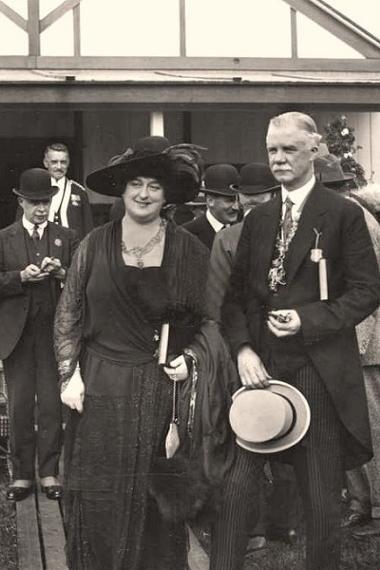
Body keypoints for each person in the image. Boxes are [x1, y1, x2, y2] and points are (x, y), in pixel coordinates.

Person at [54, 136, 237, 570]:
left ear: (167, 194)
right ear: (122, 189)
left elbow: (212, 320)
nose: (143, 194)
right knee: (99, 497)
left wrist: (191, 358)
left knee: (154, 504)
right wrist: (68, 373)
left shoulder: (190, 251)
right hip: (96, 388)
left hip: (157, 394)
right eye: (135, 183)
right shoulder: (93, 245)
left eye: (153, 186)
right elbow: (69, 312)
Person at [211, 111, 380, 570]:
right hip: (260, 371)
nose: (279, 159)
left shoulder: (344, 214)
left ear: (314, 149)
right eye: (272, 150)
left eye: (289, 149)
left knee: (321, 495)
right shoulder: (261, 218)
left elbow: (367, 290)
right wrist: (243, 350)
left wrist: (307, 320)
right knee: (237, 486)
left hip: (320, 371)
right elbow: (235, 298)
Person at [0, 168, 78, 501]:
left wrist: (61, 274)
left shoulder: (67, 237)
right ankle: (21, 475)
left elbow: (80, 281)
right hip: (16, 334)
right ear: (21, 202)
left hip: (51, 335)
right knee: (19, 406)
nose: (40, 209)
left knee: (49, 404)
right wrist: (19, 276)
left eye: (45, 201)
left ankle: (48, 472)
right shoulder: (4, 238)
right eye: (34, 203)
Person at [183, 163, 240, 250]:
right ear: (210, 201)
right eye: (230, 201)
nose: (236, 207)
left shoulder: (244, 230)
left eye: (238, 200)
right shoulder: (187, 234)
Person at [43, 142, 94, 240]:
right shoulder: (36, 189)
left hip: (72, 251)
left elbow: (88, 229)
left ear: (68, 163)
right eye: (54, 162)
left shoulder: (79, 191)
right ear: (46, 163)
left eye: (63, 162)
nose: (59, 167)